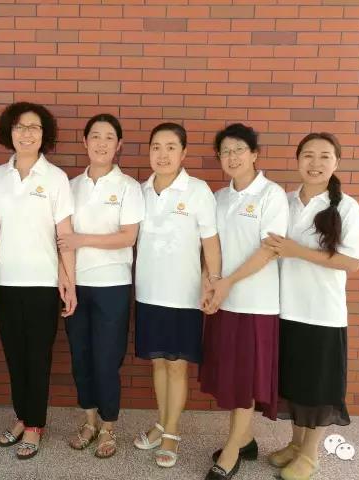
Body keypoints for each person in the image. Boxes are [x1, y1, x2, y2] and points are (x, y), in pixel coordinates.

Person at [264, 133, 359, 480]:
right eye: (308, 155)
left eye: (324, 156)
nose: (315, 163)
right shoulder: (285, 202)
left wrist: (298, 251)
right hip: (285, 309)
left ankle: (310, 454)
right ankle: (295, 444)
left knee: (320, 387)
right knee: (295, 383)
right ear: (297, 160)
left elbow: (352, 262)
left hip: (322, 312)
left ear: (336, 162)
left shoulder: (346, 207)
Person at [198, 123, 289, 480]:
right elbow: (211, 246)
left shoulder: (271, 194)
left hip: (255, 304)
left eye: (239, 150)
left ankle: (232, 450)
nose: (232, 157)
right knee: (231, 376)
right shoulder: (219, 197)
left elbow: (269, 249)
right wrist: (210, 283)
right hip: (224, 301)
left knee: (247, 379)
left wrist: (228, 283)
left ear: (254, 154)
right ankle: (246, 439)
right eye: (225, 151)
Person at [133, 122, 221, 468]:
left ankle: (172, 432)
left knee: (176, 366)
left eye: (171, 147)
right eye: (156, 147)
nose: (163, 154)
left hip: (183, 296)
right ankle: (161, 423)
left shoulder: (197, 191)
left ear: (184, 153)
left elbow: (211, 243)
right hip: (148, 293)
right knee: (158, 362)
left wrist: (213, 281)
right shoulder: (140, 191)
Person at [0, 101, 76, 460]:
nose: (27, 133)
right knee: (14, 356)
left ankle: (35, 425)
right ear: (9, 132)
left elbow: (64, 234)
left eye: (34, 127)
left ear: (45, 135)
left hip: (43, 283)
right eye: (20, 127)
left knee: (37, 357)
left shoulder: (55, 178)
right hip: (4, 281)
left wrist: (68, 281)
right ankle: (21, 416)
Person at [58, 114, 144, 459]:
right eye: (95, 136)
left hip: (113, 285)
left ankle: (109, 426)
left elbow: (128, 237)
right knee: (80, 357)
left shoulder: (128, 187)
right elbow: (61, 239)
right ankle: (89, 421)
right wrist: (66, 280)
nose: (102, 143)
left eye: (109, 137)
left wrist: (82, 239)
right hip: (77, 285)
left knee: (107, 360)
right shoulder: (70, 186)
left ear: (119, 145)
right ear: (85, 141)